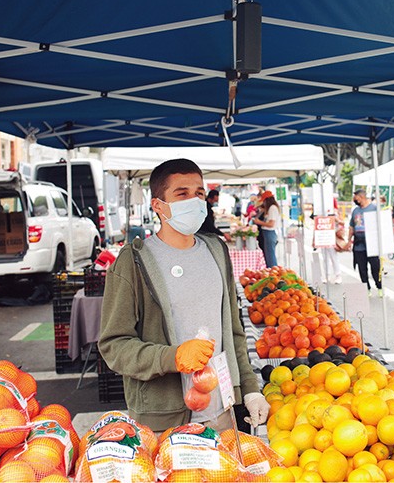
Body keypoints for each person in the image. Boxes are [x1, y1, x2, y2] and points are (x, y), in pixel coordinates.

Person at [98, 159, 268, 432]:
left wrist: (249, 389)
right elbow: (113, 345)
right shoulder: (134, 261)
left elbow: (233, 330)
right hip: (164, 421)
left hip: (223, 412)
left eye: (199, 193)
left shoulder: (216, 251)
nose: (195, 200)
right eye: (182, 194)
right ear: (158, 206)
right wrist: (172, 357)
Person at [348, 188, 383, 297]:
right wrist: (349, 240)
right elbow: (351, 226)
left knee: (375, 267)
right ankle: (366, 288)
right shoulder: (355, 211)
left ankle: (379, 286)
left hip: (372, 243)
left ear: (361, 197)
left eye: (356, 197)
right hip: (359, 244)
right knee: (362, 268)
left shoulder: (374, 208)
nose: (355, 200)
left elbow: (381, 225)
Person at [253, 190, 280, 267]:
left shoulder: (272, 208)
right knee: (268, 256)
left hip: (269, 233)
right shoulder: (270, 208)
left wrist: (259, 222)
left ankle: (273, 273)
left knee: (270, 257)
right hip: (267, 233)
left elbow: (271, 224)